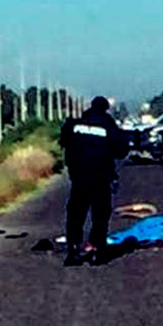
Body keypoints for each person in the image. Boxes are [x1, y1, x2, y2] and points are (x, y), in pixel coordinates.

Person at [60, 96, 129, 266]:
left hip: (79, 178)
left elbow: (64, 143)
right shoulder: (108, 125)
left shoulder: (76, 124)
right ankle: (98, 250)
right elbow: (121, 150)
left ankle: (73, 250)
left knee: (76, 214)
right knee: (100, 215)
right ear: (105, 108)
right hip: (100, 177)